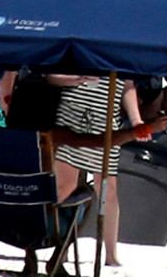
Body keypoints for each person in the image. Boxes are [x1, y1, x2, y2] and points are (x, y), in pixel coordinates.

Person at [52, 74, 145, 267]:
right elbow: (51, 77)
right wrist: (75, 79)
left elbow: (127, 85)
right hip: (71, 118)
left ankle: (110, 253)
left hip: (105, 120)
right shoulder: (79, 48)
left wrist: (136, 120)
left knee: (108, 191)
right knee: (64, 186)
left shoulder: (118, 55)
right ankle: (61, 247)